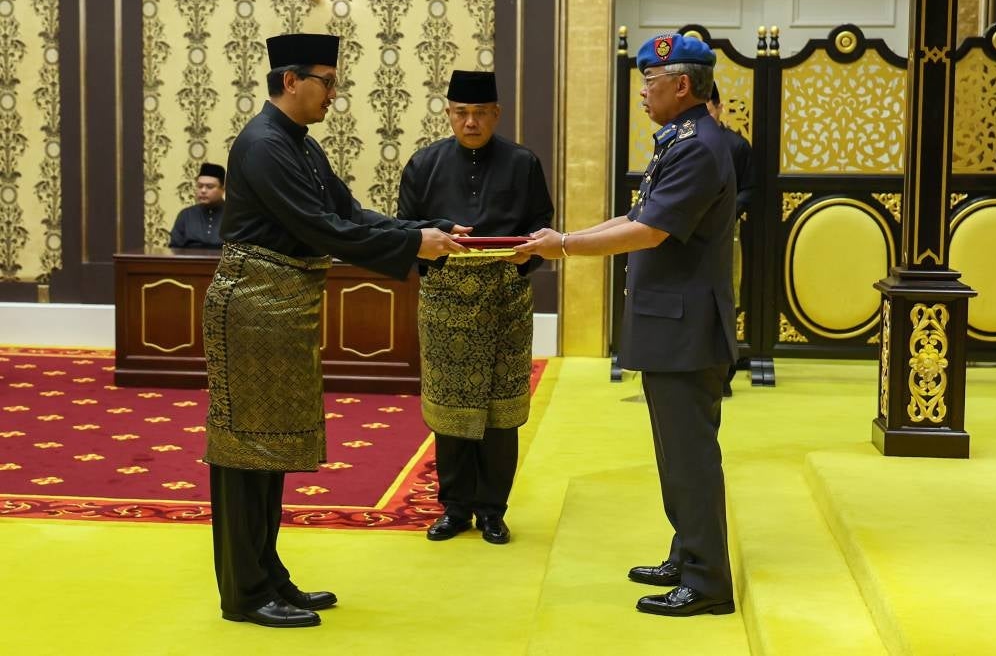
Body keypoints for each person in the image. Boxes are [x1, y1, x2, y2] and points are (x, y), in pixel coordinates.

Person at [202, 33, 468, 629]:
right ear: (290, 81)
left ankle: (266, 573)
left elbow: (347, 213)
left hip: (280, 304)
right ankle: (244, 592)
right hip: (252, 305)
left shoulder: (298, 144)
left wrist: (420, 227)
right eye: (327, 80)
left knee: (268, 447)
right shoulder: (264, 143)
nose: (334, 94)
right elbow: (320, 229)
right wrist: (412, 244)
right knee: (246, 450)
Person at [516, 33, 737, 617]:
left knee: (689, 455)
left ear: (682, 86)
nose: (643, 93)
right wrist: (566, 240)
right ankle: (687, 551)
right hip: (672, 325)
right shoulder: (683, 141)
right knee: (675, 453)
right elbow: (638, 215)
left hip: (686, 330)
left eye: (651, 83)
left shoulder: (697, 147)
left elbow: (652, 231)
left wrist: (564, 247)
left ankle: (708, 581)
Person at [397, 70, 553, 545]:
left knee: (501, 411)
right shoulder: (424, 164)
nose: (471, 122)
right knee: (450, 409)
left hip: (505, 297)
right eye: (462, 113)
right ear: (448, 113)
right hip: (446, 300)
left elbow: (542, 226)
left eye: (480, 113)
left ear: (496, 115)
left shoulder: (523, 162)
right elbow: (406, 228)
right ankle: (455, 506)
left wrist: (526, 256)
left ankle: (492, 509)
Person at [706, 82, 758, 396]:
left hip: (728, 233)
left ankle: (725, 371)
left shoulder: (736, 146)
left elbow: (750, 189)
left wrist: (727, 211)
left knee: (728, 296)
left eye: (708, 109)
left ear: (719, 107)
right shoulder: (684, 143)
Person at [168, 162, 226, 248]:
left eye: (209, 187)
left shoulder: (235, 216)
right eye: (199, 186)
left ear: (222, 189)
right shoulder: (186, 215)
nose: (203, 190)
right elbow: (174, 249)